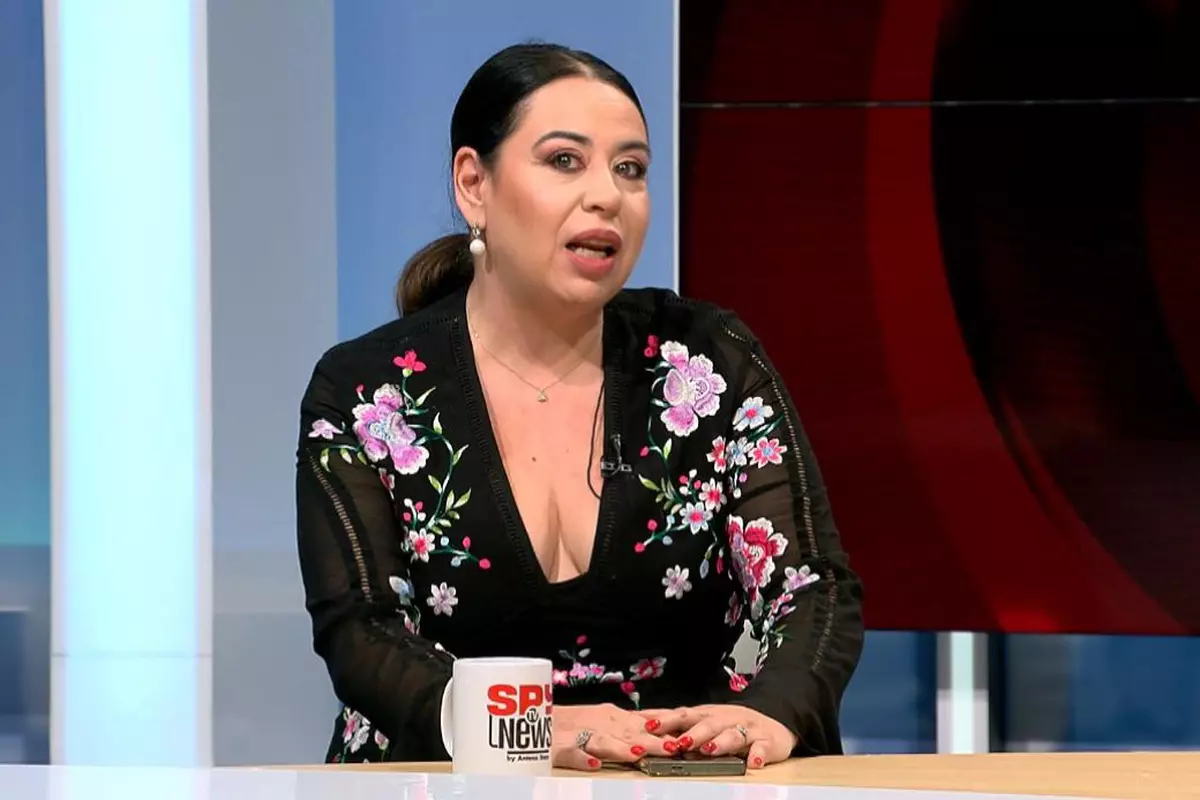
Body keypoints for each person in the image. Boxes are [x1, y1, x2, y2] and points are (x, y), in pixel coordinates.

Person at [296, 42, 864, 770]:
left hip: (674, 779)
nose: (607, 196)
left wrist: (771, 713)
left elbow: (812, 585)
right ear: (474, 184)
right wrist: (530, 730)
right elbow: (361, 629)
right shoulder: (365, 389)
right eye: (565, 160)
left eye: (630, 169)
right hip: (443, 779)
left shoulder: (708, 362)